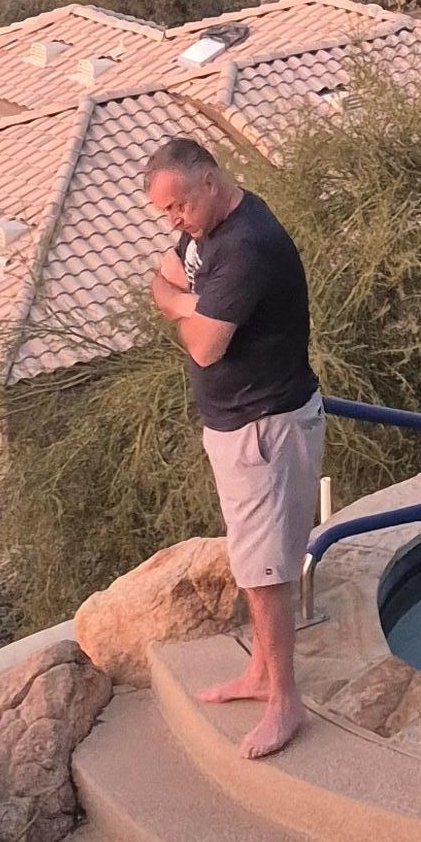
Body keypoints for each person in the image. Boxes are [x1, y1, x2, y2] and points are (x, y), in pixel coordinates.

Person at [142, 132, 323, 760]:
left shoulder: (247, 245)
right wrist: (191, 302)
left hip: (266, 430)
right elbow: (160, 283)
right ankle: (260, 676)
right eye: (165, 213)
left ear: (210, 184)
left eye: (178, 208)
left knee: (267, 568)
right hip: (235, 425)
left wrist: (184, 308)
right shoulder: (205, 231)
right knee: (252, 561)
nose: (174, 223)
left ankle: (285, 703)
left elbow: (203, 345)